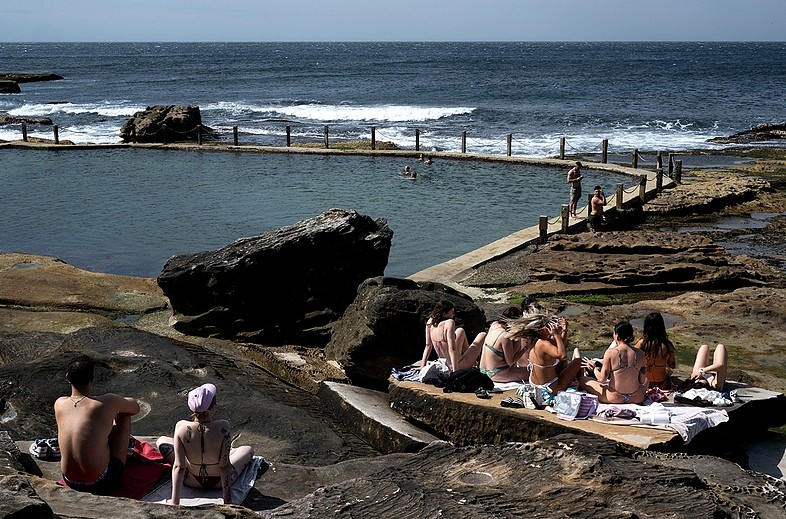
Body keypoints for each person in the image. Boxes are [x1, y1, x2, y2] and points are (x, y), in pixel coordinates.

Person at [54, 355, 140, 495]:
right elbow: (135, 408)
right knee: (123, 415)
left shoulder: (59, 404)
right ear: (92, 379)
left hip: (70, 480)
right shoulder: (107, 402)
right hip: (101, 482)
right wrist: (116, 403)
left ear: (68, 377)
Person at [156, 383, 254, 505]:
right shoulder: (223, 427)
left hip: (191, 480)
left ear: (191, 408)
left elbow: (179, 467)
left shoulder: (181, 427)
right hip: (217, 482)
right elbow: (224, 466)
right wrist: (227, 500)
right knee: (247, 449)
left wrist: (175, 502)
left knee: (162, 441)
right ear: (212, 406)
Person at [507, 311, 582, 393]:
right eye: (547, 326)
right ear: (540, 331)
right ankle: (581, 385)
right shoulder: (543, 344)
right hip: (549, 388)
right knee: (578, 361)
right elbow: (562, 355)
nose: (551, 327)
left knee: (562, 363)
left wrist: (564, 331)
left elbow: (560, 347)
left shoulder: (537, 341)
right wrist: (556, 335)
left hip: (537, 385)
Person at [578, 321, 648, 404]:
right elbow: (642, 380)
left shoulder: (611, 353)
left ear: (617, 335)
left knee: (583, 380)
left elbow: (602, 379)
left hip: (614, 397)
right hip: (636, 398)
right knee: (647, 380)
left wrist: (594, 369)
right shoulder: (640, 353)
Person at [421, 300, 486, 372]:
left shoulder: (430, 322)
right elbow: (452, 349)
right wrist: (455, 371)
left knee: (460, 331)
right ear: (444, 313)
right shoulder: (449, 323)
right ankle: (480, 364)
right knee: (483, 335)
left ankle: (473, 362)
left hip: (444, 362)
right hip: (459, 364)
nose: (454, 314)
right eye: (452, 312)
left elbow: (428, 346)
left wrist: (422, 367)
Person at [478, 306, 531, 382]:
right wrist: (525, 348)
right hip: (497, 374)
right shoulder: (504, 336)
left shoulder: (494, 325)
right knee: (534, 373)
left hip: (483, 371)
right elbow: (510, 362)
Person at [634, 312, 676, 389]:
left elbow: (633, 362)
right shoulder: (667, 345)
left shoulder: (640, 343)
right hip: (662, 383)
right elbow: (672, 365)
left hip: (644, 382)